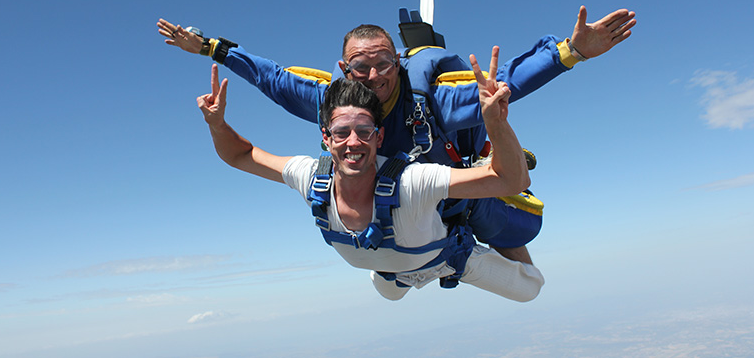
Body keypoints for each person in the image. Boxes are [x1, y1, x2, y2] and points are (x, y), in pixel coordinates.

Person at [158, 6, 636, 263]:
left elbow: (510, 79)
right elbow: (271, 77)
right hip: (399, 204)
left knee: (516, 247)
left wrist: (572, 50)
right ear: (345, 68)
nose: (373, 75)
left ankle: (498, 171)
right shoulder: (332, 103)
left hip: (454, 190)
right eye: (360, 66)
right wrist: (209, 48)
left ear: (399, 63)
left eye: (384, 62)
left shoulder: (432, 103)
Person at [197, 47, 545, 301]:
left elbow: (512, 181)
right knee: (390, 295)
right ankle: (390, 267)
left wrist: (495, 123)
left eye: (364, 131)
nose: (353, 143)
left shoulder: (414, 181)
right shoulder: (310, 176)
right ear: (326, 138)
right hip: (390, 269)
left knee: (531, 288)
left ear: (379, 137)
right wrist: (217, 125)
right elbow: (240, 155)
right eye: (341, 132)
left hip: (447, 259)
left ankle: (478, 178)